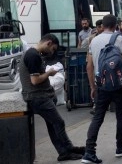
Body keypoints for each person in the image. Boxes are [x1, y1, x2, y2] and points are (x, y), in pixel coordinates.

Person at [19, 34, 85, 162]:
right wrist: (49, 73)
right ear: (48, 43)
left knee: (52, 124)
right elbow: (35, 80)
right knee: (58, 122)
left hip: (40, 96)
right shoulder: (33, 56)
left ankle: (66, 150)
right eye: (53, 49)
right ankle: (67, 150)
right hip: (37, 97)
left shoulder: (35, 54)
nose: (52, 52)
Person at [82, 14, 122, 163]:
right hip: (119, 86)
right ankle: (120, 147)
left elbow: (89, 66)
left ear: (102, 26)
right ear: (116, 25)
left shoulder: (94, 40)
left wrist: (93, 86)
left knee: (97, 117)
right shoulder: (119, 39)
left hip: (101, 85)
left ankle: (89, 152)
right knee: (120, 115)